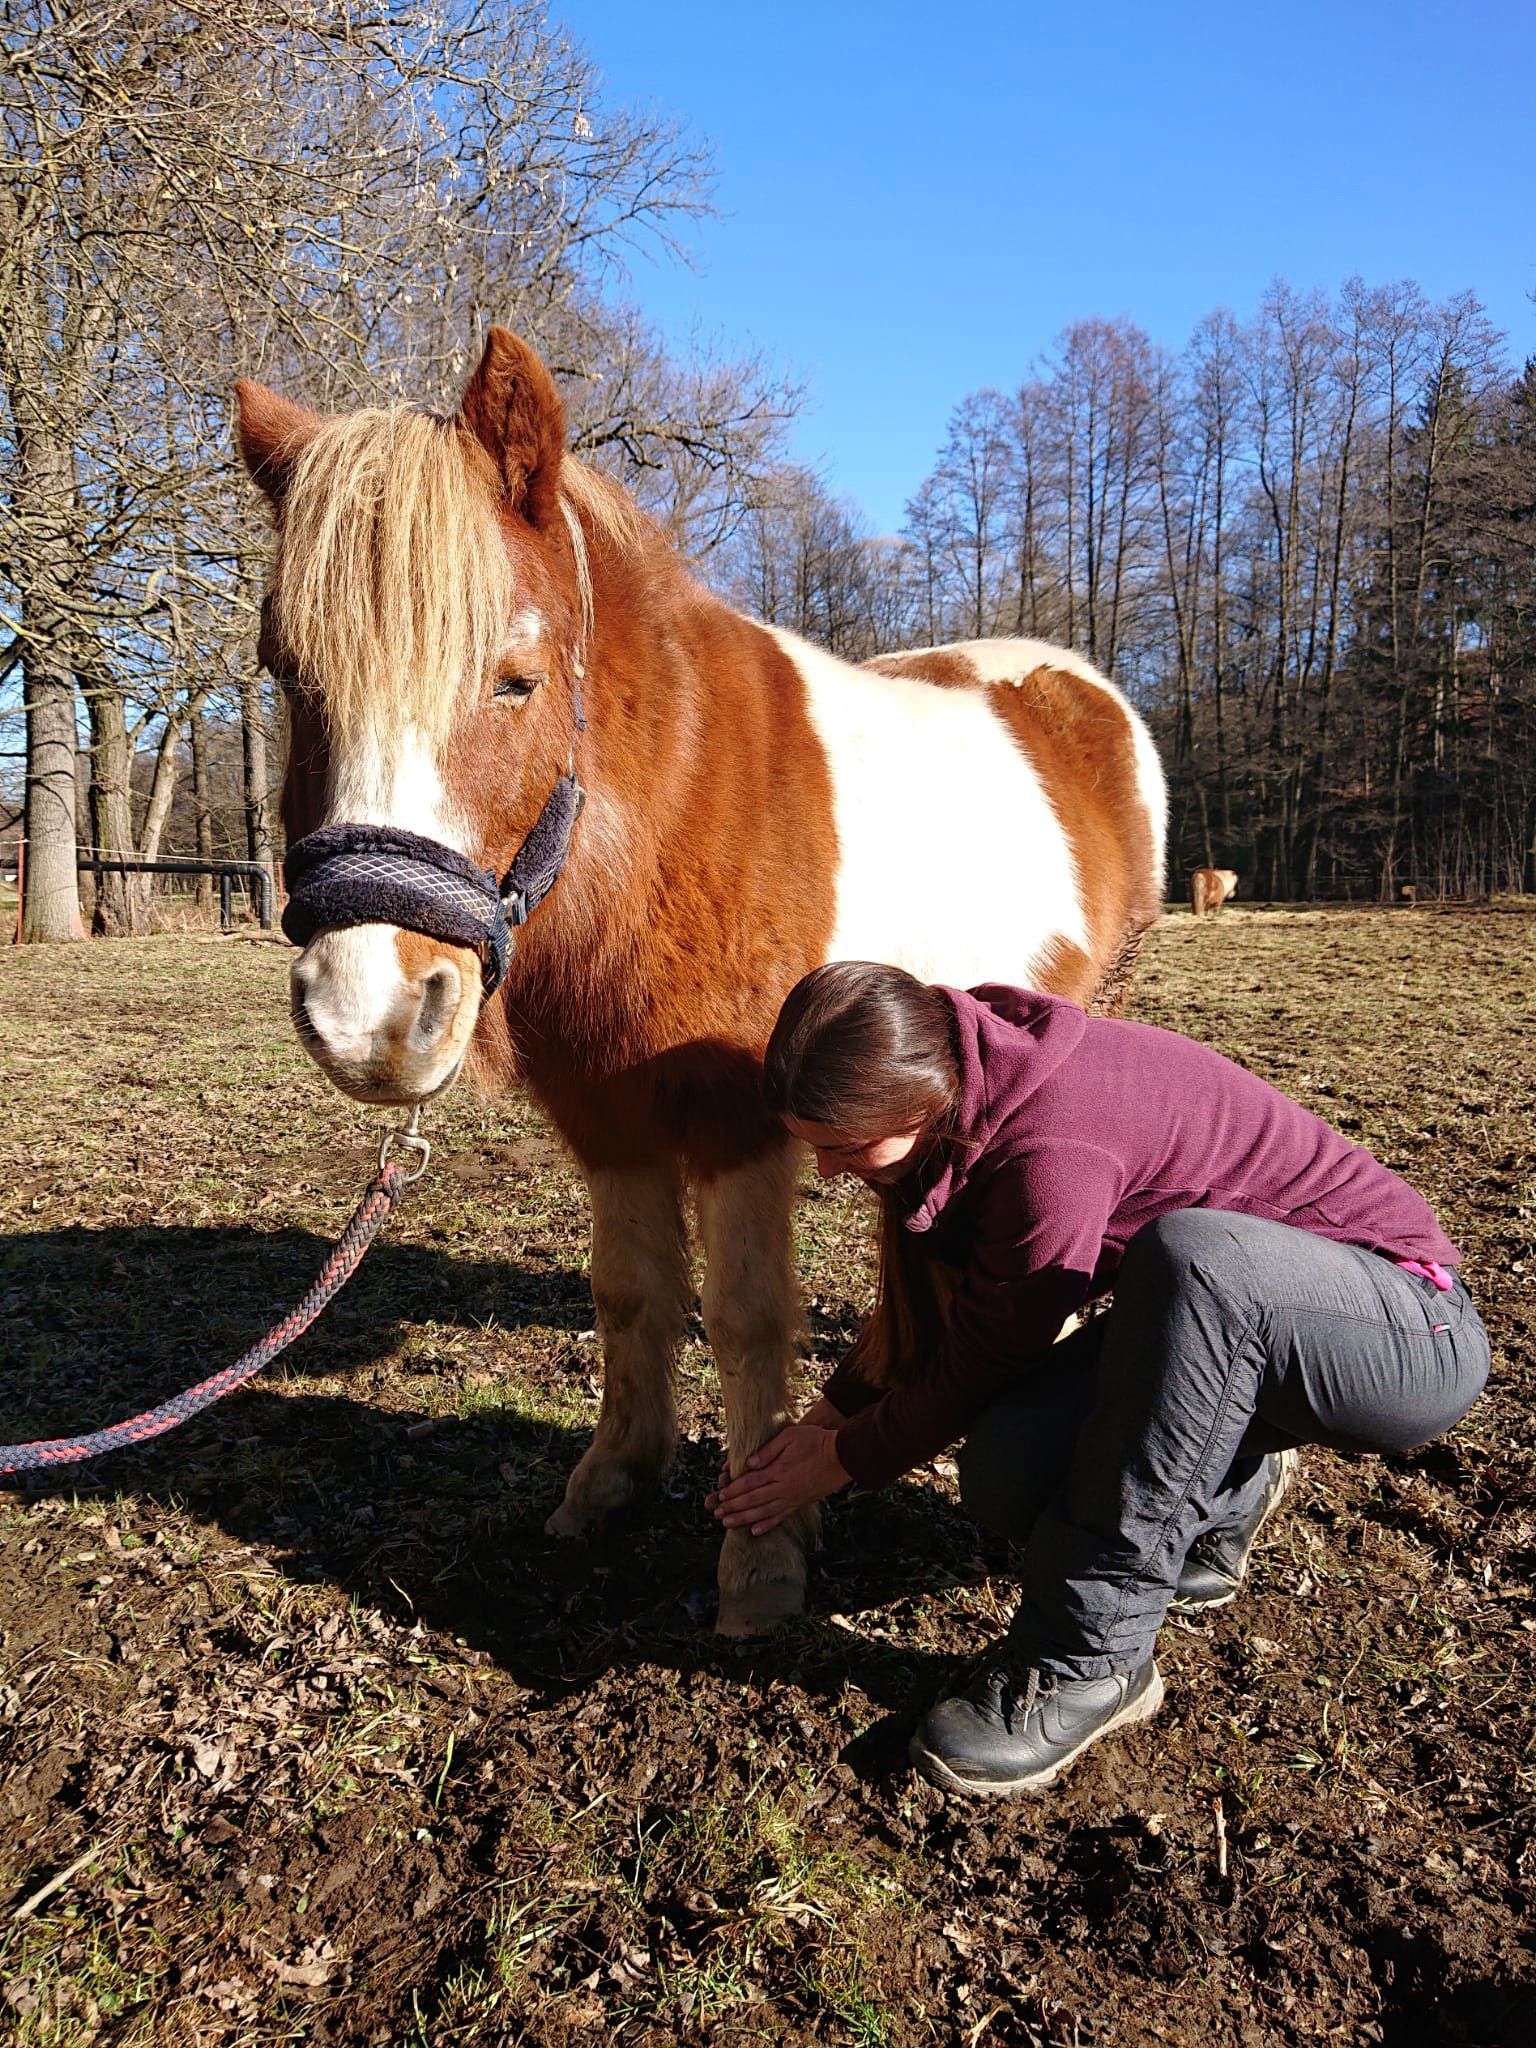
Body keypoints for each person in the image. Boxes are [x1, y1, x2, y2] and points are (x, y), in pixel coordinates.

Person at [709, 962, 1490, 1800]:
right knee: (1008, 1471)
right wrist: (826, 1419)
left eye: (843, 1148)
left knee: (1196, 1260)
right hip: (1235, 1326)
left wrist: (844, 1459)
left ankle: (1090, 1662)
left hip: (1406, 1332)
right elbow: (955, 1323)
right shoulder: (956, 1083)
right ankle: (1227, 1486)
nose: (827, 1172)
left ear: (917, 1103)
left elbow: (985, 1357)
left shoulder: (1051, 1149)